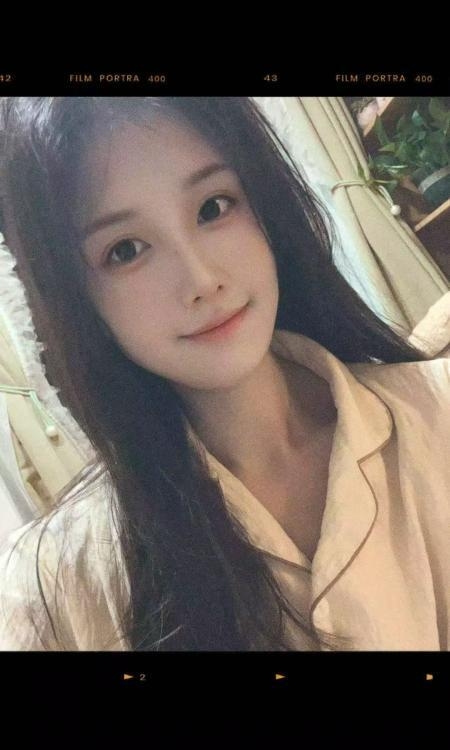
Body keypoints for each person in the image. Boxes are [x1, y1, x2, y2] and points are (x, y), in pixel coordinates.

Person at [0, 96, 448, 652]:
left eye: (213, 208)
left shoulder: (437, 413)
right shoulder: (54, 587)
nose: (202, 279)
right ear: (77, 300)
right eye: (126, 249)